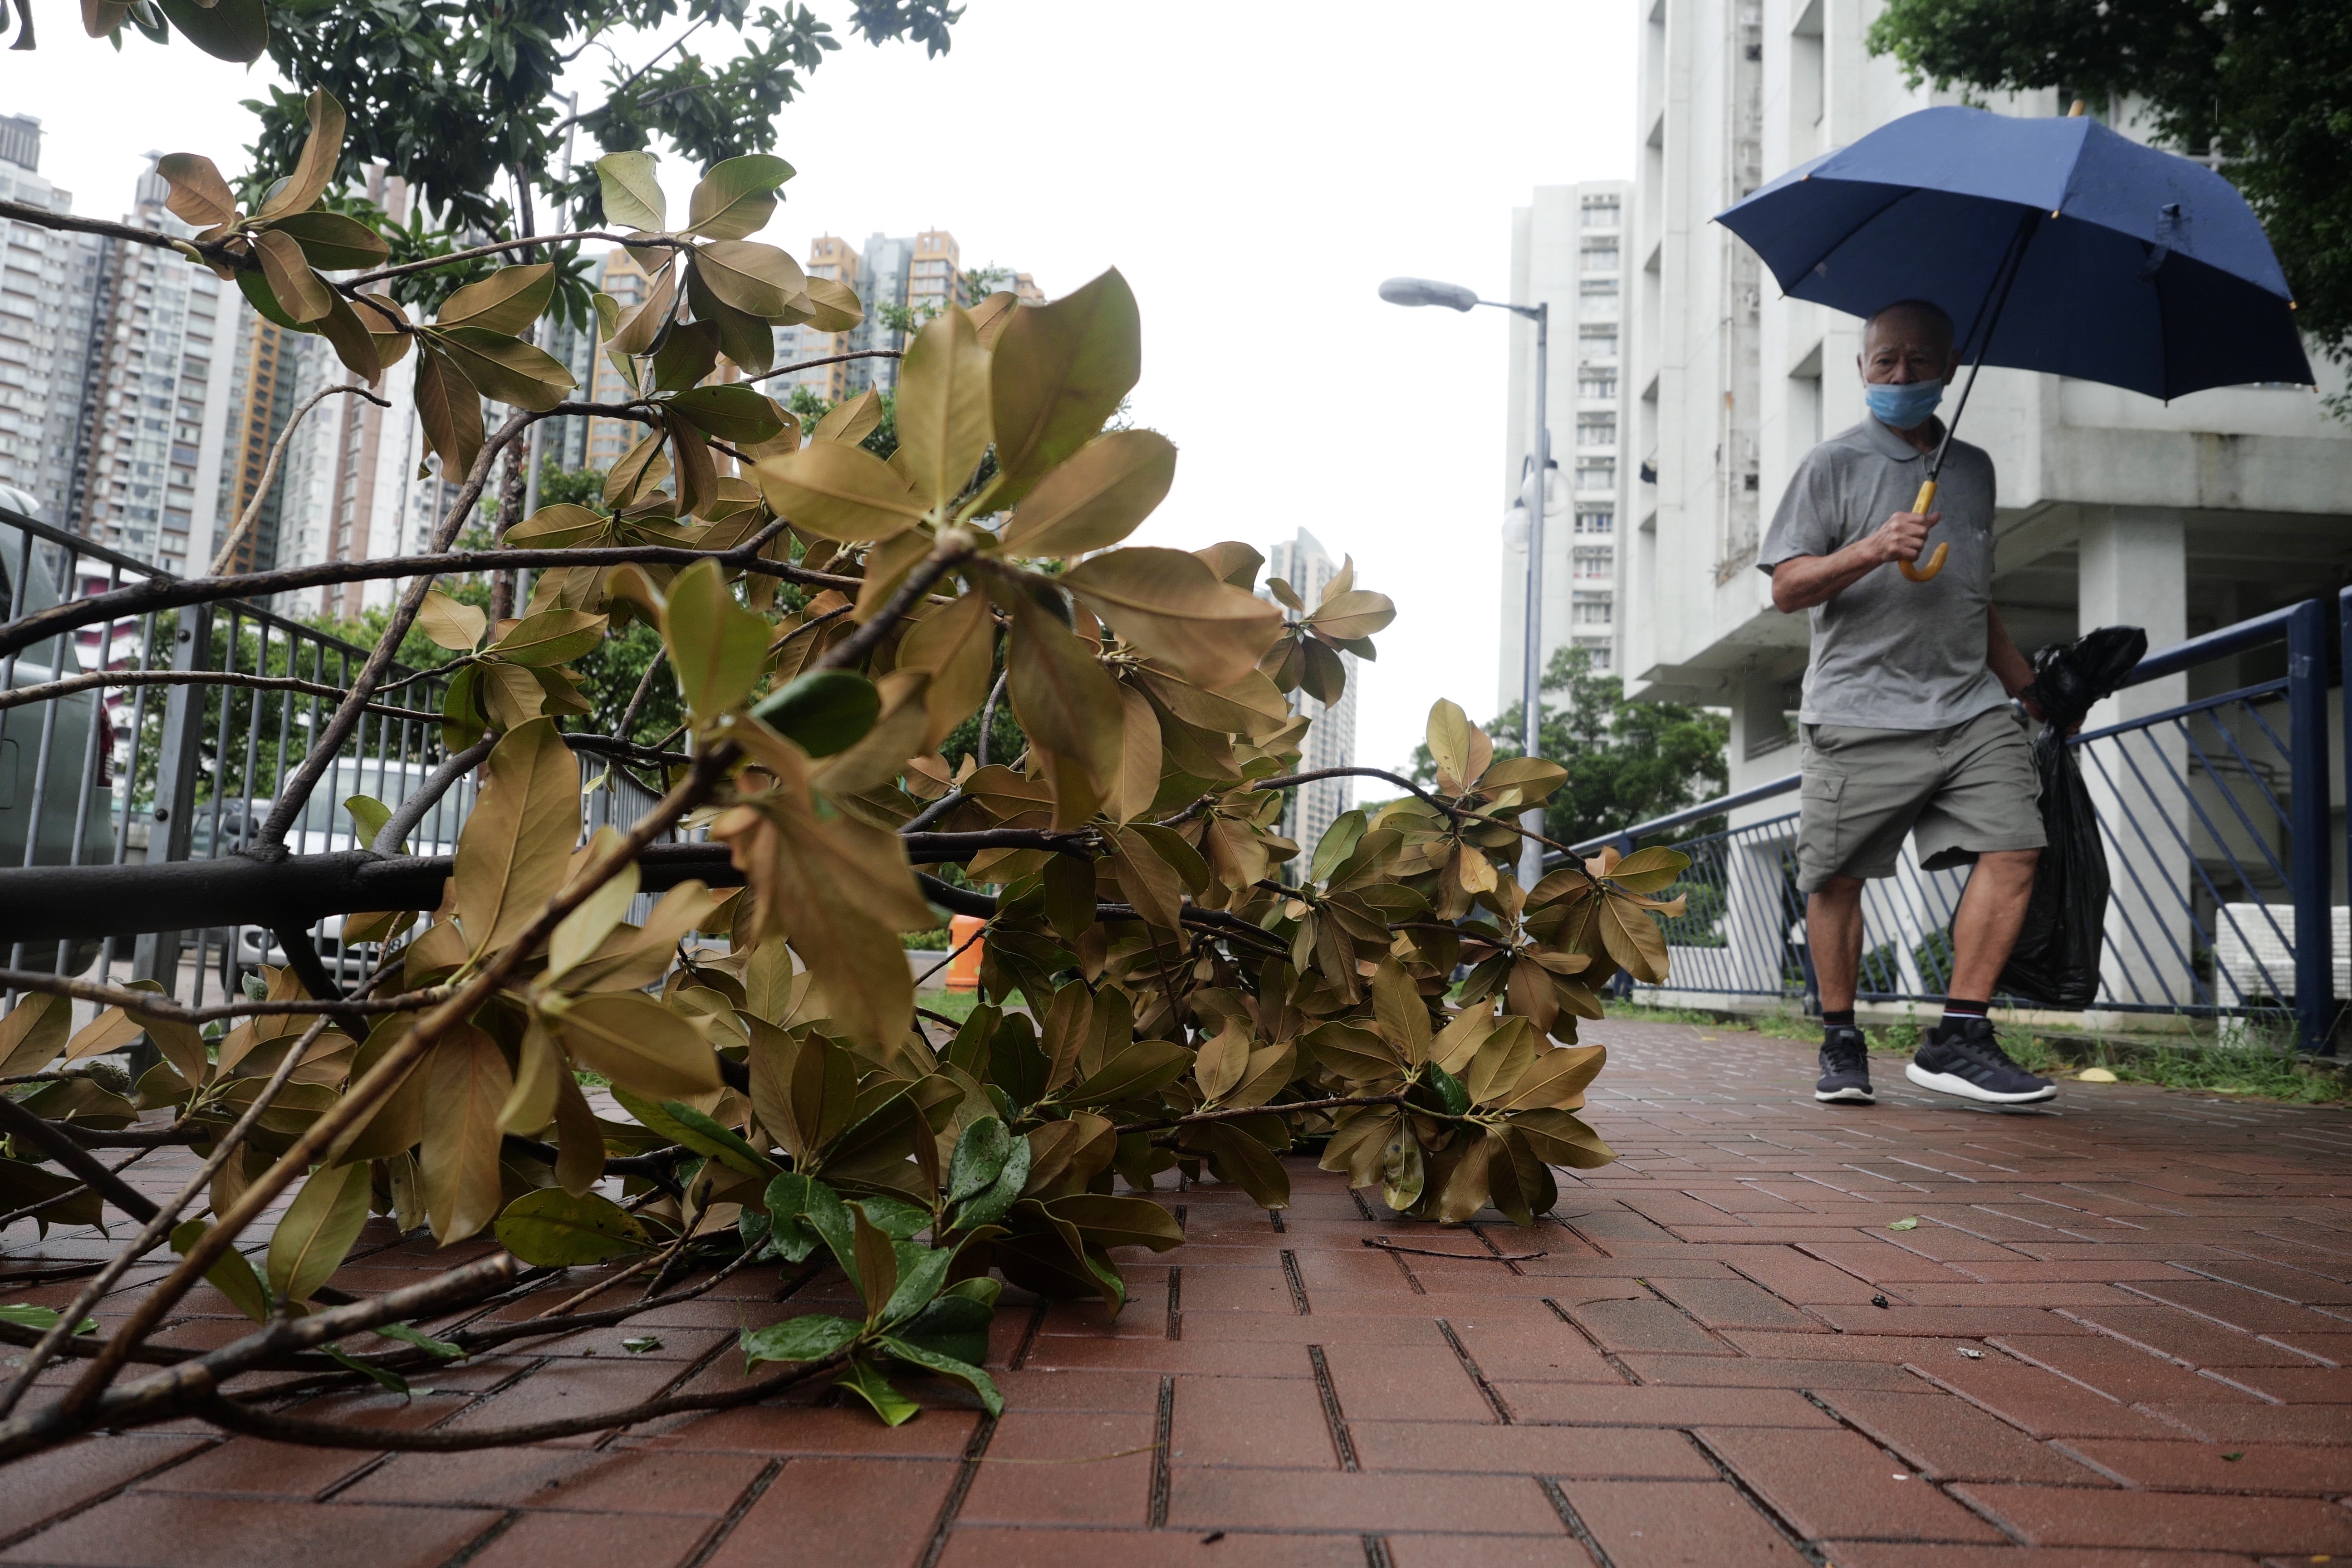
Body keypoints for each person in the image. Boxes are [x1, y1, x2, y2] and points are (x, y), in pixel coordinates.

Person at [1759, 299, 2057, 1107]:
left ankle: (1960, 1035)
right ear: (1861, 370)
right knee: (1837, 879)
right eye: (1885, 360)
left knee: (2017, 849)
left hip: (1967, 709)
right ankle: (1840, 1037)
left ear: (1949, 368)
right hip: (1859, 711)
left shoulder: (1974, 469)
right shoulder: (1831, 464)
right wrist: (1871, 548)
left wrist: (2026, 687)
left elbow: (1973, 595)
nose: (1900, 375)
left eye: (1919, 360)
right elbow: (1788, 587)